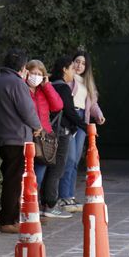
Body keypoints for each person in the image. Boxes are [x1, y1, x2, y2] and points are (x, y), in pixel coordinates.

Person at [0, 48, 42, 233]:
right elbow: (27, 110)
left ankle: (10, 217)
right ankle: (7, 220)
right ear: (22, 66)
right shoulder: (17, 83)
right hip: (18, 138)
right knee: (14, 180)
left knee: (9, 177)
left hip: (3, 136)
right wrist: (37, 126)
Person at [57, 50, 105, 213]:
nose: (79, 65)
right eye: (77, 61)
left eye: (83, 63)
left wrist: (98, 115)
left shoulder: (88, 83)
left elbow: (92, 105)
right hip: (70, 118)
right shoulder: (68, 80)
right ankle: (63, 196)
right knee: (68, 159)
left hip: (82, 121)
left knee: (76, 160)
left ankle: (69, 195)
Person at [45, 56, 86, 218]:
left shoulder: (50, 85)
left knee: (48, 166)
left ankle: (46, 203)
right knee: (58, 168)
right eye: (71, 68)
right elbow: (69, 111)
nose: (73, 72)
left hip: (48, 131)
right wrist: (84, 125)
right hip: (61, 133)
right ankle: (50, 204)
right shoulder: (63, 88)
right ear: (64, 69)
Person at [24, 60, 65, 214]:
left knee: (39, 175)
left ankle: (35, 206)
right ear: (27, 72)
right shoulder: (21, 88)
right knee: (26, 173)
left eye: (39, 74)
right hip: (27, 136)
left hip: (43, 138)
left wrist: (47, 86)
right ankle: (26, 206)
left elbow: (58, 106)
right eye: (33, 73)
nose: (35, 76)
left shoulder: (43, 91)